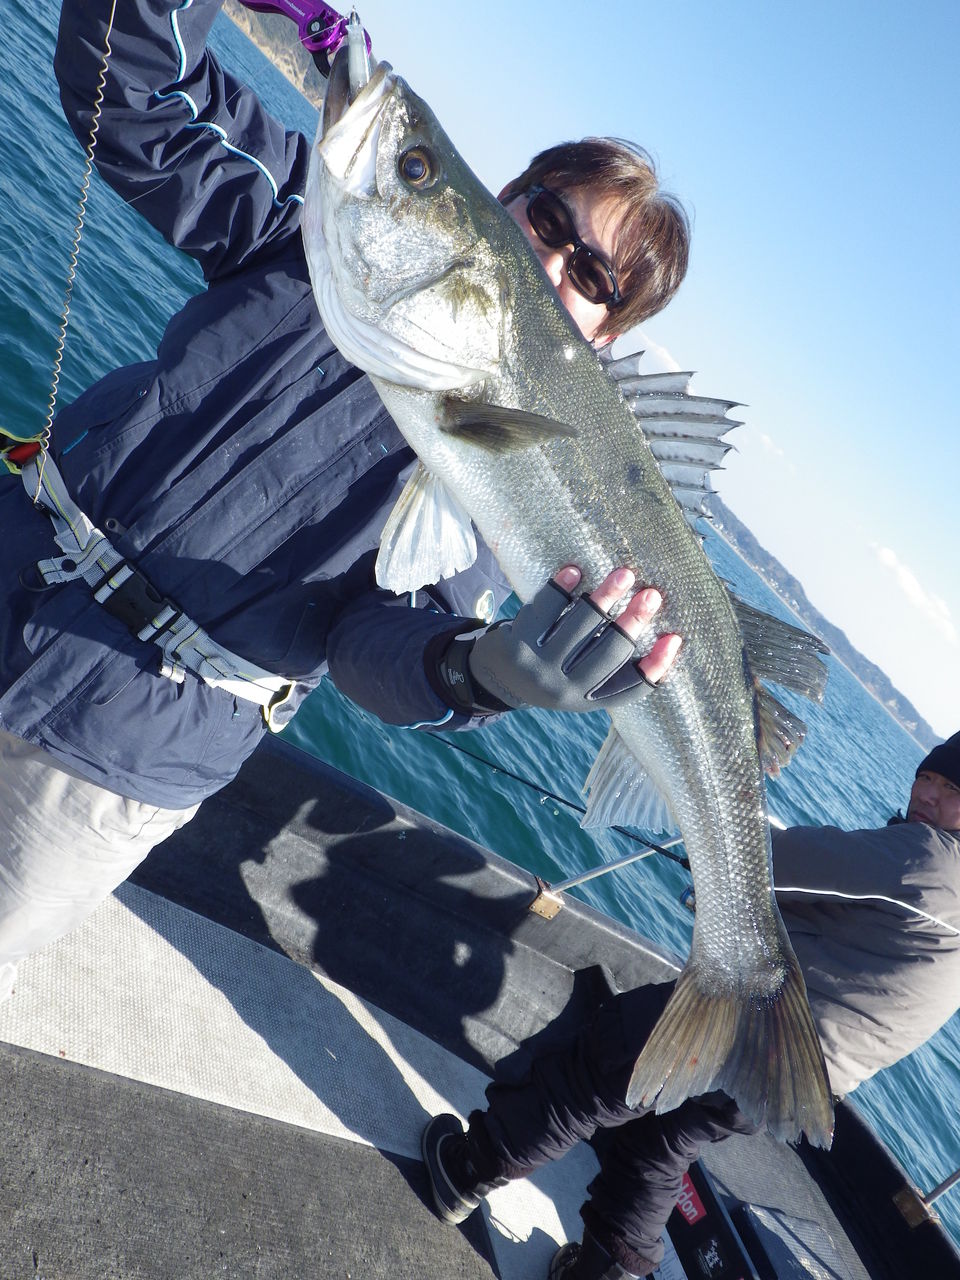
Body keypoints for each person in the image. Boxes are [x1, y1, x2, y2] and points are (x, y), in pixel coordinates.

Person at [0, 0, 690, 1002]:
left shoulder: (516, 468)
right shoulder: (315, 220)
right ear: (501, 200)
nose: (550, 264)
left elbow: (379, 641)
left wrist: (481, 670)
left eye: (591, 274)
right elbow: (132, 90)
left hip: (118, 758)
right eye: (547, 222)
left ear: (603, 336)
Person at [422, 732, 960, 1279]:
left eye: (951, 789)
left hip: (740, 1023)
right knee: (658, 1146)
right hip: (799, 1079)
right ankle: (603, 1272)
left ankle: (466, 1169)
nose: (927, 794)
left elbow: (775, 862)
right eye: (927, 777)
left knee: (596, 1073)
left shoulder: (929, 858)